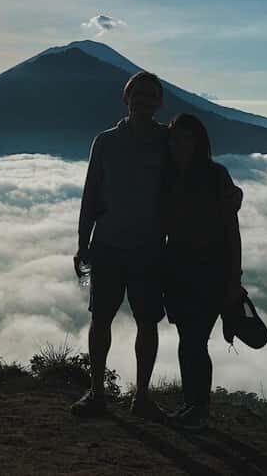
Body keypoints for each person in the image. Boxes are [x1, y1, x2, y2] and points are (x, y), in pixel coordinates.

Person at [70, 71, 169, 421]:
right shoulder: (106, 141)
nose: (143, 100)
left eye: (149, 95)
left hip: (150, 248)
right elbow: (90, 195)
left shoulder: (168, 141)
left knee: (147, 322)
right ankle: (97, 393)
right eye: (137, 94)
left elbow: (191, 182)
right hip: (108, 245)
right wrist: (84, 244)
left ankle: (141, 397)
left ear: (159, 102)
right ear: (126, 99)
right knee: (101, 319)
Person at [161, 113, 243, 429]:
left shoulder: (215, 175)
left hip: (210, 268)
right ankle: (191, 404)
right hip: (176, 266)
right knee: (187, 338)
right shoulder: (166, 175)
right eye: (175, 139)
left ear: (199, 142)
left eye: (186, 138)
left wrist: (234, 280)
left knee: (196, 339)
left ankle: (199, 408)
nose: (180, 145)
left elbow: (232, 230)